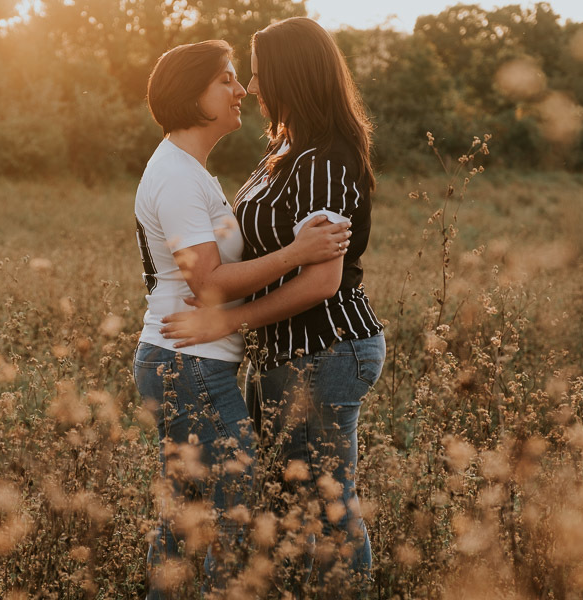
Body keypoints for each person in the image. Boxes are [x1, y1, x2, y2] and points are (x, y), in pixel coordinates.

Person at [159, 18, 386, 591]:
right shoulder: (286, 148)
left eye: (259, 76)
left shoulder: (325, 161)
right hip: (286, 351)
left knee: (331, 507)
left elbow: (321, 282)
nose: (253, 89)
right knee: (291, 505)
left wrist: (227, 319)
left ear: (291, 76)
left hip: (325, 348)